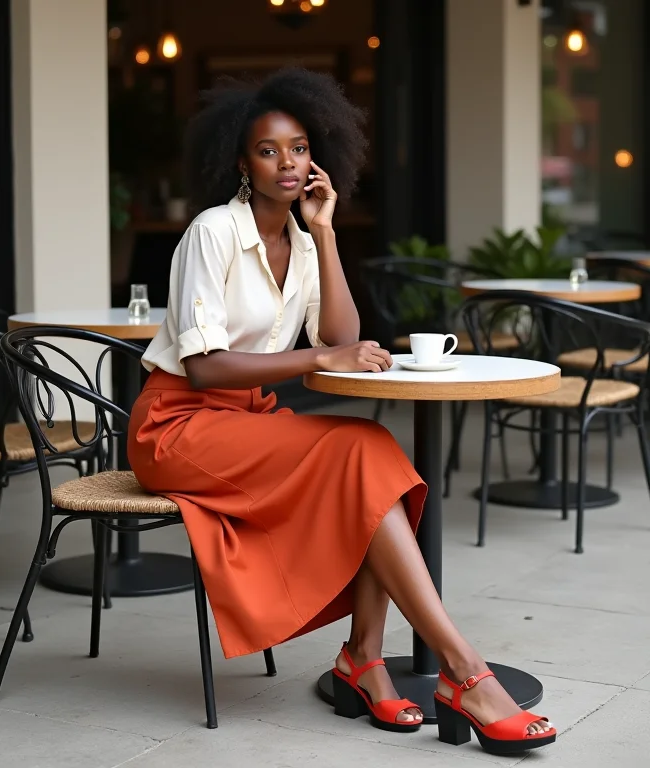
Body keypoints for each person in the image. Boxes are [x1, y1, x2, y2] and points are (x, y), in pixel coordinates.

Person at [127, 67, 555, 755]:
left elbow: (342, 337)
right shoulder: (211, 233)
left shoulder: (300, 243)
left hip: (243, 422)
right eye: (270, 151)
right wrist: (317, 361)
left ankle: (365, 658)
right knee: (359, 453)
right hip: (177, 426)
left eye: (298, 148)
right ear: (242, 162)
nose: (288, 162)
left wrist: (323, 235)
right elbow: (207, 367)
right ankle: (462, 669)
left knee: (372, 452)